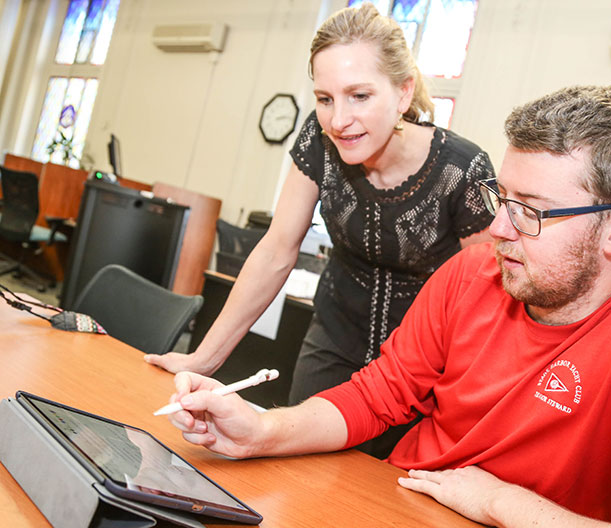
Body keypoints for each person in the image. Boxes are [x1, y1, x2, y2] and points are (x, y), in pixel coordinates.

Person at [163, 85, 611, 528]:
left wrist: (497, 499)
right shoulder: (474, 272)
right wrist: (262, 431)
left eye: (532, 211)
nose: (498, 227)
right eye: (503, 198)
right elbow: (376, 396)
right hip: (393, 507)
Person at [144, 3, 495, 457]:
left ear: (403, 93)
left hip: (424, 373)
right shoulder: (321, 140)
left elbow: (485, 300)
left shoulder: (463, 169)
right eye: (325, 98)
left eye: (359, 96)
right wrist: (202, 359)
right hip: (333, 341)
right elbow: (276, 250)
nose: (338, 120)